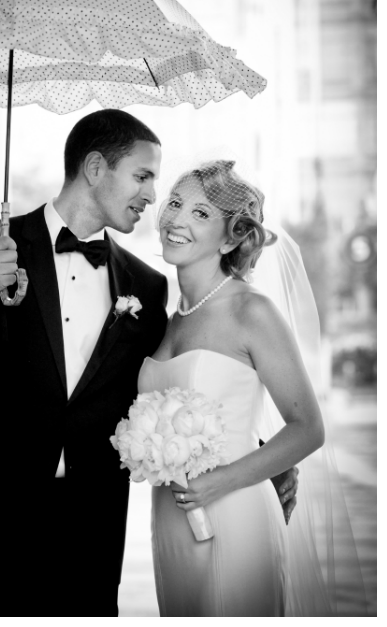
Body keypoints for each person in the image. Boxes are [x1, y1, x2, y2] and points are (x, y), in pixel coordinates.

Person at [0, 109, 298, 616]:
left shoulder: (147, 286)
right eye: (143, 176)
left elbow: (170, 387)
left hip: (87, 538)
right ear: (95, 168)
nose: (153, 197)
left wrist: (259, 456)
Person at [141, 160, 329, 615]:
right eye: (176, 203)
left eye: (201, 213)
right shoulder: (164, 319)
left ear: (230, 237)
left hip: (233, 511)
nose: (176, 219)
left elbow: (308, 428)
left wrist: (220, 482)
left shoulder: (251, 311)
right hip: (170, 519)